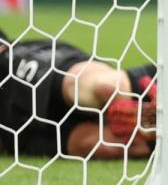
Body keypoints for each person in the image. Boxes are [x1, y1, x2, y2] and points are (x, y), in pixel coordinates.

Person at [0, 28, 155, 159]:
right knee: (101, 146)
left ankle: (163, 102)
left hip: (16, 65)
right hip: (13, 126)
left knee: (103, 88)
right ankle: (155, 133)